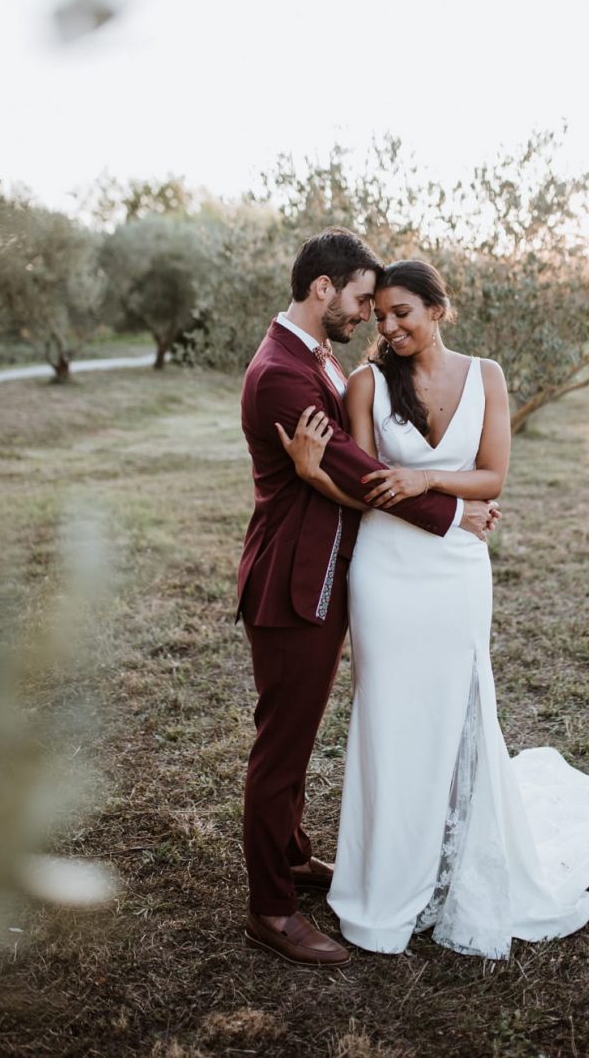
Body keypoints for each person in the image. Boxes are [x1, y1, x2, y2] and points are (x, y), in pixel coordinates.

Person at [283, 259, 589, 960]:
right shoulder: (367, 384)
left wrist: (431, 478)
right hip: (386, 574)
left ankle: (459, 855)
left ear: (439, 308)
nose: (391, 326)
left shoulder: (485, 375)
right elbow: (368, 486)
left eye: (404, 311)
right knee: (388, 716)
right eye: (381, 317)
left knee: (460, 707)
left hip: (458, 574)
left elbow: (493, 474)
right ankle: (387, 879)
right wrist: (323, 474)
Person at [237, 231, 497, 969]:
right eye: (359, 300)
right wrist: (454, 515)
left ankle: (290, 856)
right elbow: (356, 468)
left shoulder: (308, 356)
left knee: (295, 726)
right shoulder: (281, 373)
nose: (367, 316)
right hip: (295, 580)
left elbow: (352, 466)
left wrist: (450, 503)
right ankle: (271, 909)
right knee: (281, 749)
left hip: (327, 569)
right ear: (324, 288)